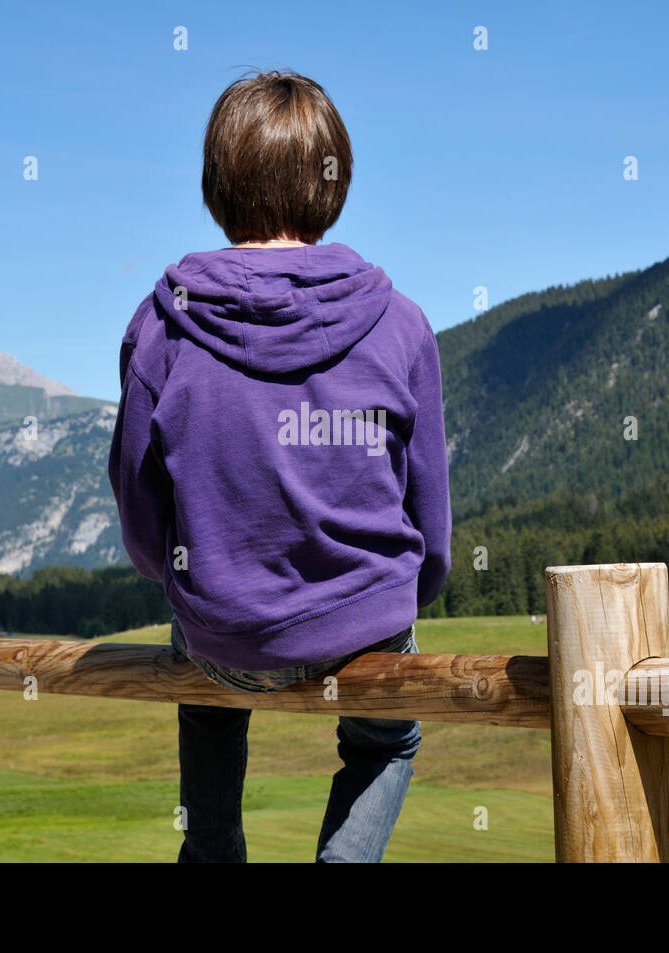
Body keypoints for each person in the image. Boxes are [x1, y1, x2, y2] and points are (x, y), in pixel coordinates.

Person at [108, 69, 451, 863]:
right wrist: (397, 600)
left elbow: (139, 506)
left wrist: (182, 581)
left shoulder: (165, 323)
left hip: (221, 636)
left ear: (218, 183)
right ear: (333, 182)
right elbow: (429, 524)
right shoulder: (401, 325)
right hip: (366, 630)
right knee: (386, 745)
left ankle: (214, 848)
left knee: (206, 703)